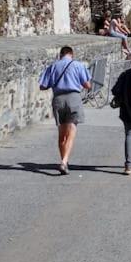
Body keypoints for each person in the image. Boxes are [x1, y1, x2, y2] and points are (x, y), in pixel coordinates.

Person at [39, 46, 92, 175]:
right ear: (71, 54)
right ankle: (64, 161)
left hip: (58, 99)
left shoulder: (53, 66)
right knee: (72, 132)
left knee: (62, 134)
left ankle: (64, 161)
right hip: (73, 98)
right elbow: (87, 85)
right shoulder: (78, 65)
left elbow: (43, 85)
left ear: (60, 55)